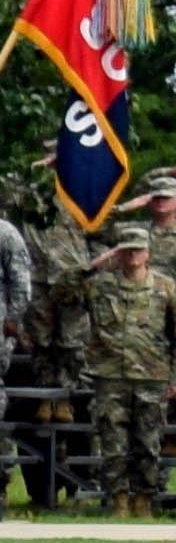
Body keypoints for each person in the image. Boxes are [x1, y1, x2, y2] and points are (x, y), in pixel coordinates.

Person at [88, 222, 170, 517]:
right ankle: (119, 500)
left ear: (148, 253)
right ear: (118, 253)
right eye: (126, 250)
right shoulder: (101, 285)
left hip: (151, 375)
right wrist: (95, 265)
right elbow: (63, 290)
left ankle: (144, 500)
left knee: (148, 443)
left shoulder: (165, 287)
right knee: (112, 442)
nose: (132, 256)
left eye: (138, 250)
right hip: (111, 375)